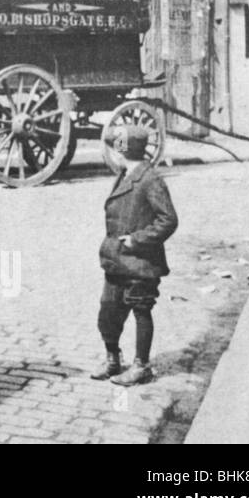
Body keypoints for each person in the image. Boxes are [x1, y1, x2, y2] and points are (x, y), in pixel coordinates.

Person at [92, 125, 179, 386]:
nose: (113, 154)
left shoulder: (150, 179)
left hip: (140, 262)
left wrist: (136, 240)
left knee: (141, 310)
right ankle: (112, 359)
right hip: (117, 261)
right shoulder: (125, 173)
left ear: (124, 151)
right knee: (108, 312)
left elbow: (168, 220)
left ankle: (141, 366)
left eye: (116, 149)